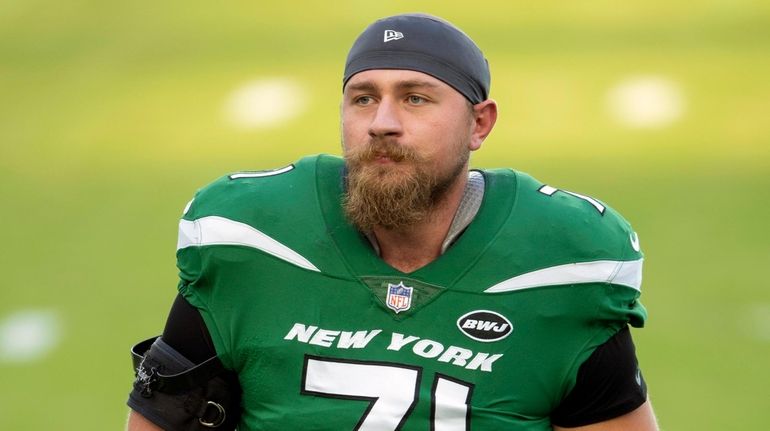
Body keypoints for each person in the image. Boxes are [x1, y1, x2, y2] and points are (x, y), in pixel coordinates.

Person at [126, 13, 659, 431]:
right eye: (364, 99)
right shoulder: (252, 241)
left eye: (415, 98)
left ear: (479, 123)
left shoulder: (560, 264)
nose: (382, 123)